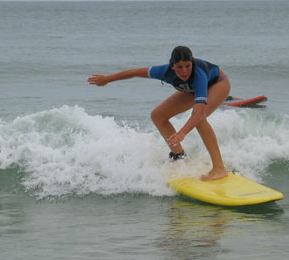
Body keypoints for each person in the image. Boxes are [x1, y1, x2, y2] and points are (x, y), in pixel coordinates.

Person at [87, 46, 230, 181]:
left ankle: (219, 168)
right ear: (172, 66)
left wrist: (182, 133)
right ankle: (178, 156)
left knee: (200, 118)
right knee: (158, 115)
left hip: (217, 84)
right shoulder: (163, 71)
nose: (184, 71)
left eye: (188, 65)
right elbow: (135, 72)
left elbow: (198, 112)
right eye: (179, 67)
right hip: (192, 90)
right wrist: (107, 79)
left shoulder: (198, 74)